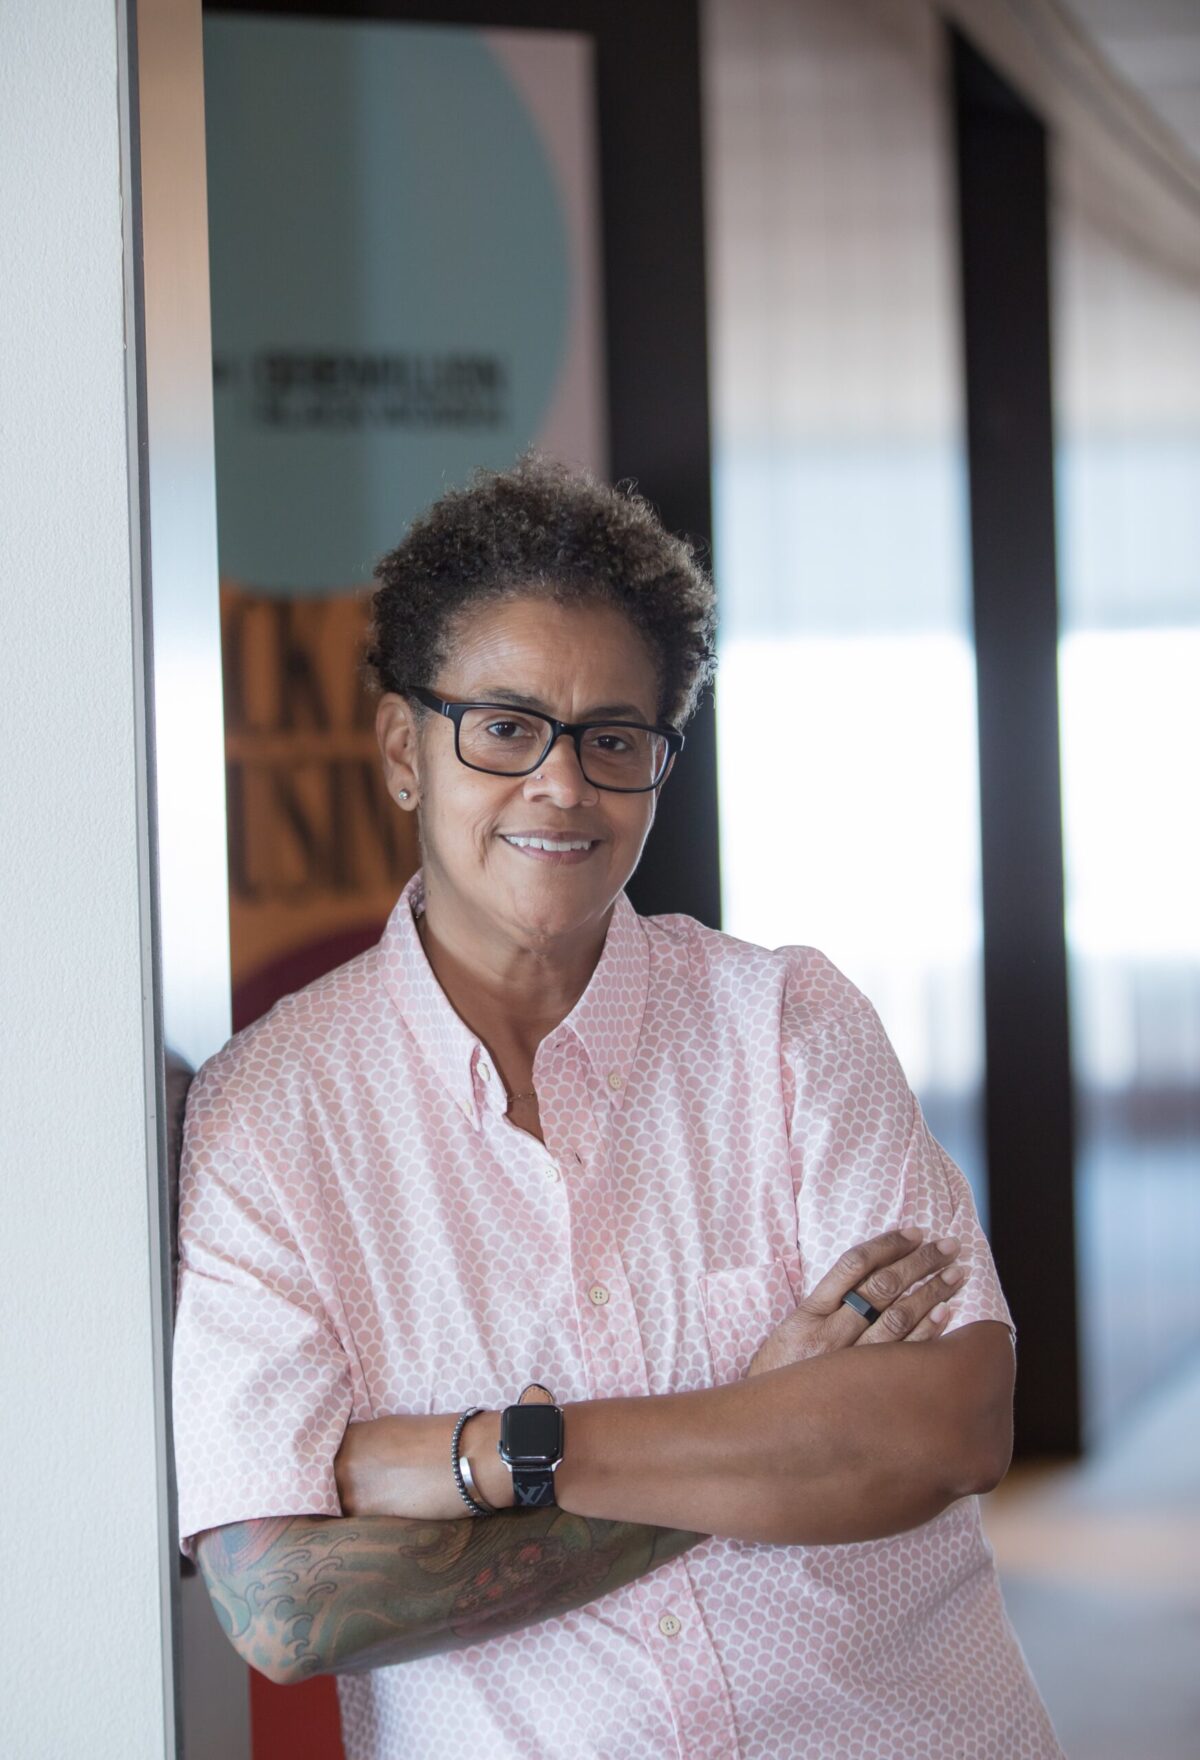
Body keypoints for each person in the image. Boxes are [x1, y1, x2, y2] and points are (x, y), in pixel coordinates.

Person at [172, 454, 1065, 1758]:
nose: (562, 785)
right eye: (505, 725)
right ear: (401, 749)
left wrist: (485, 1455)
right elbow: (287, 1604)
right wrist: (764, 1430)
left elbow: (950, 1425)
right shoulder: (272, 1117)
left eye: (613, 739)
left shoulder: (790, 1032)